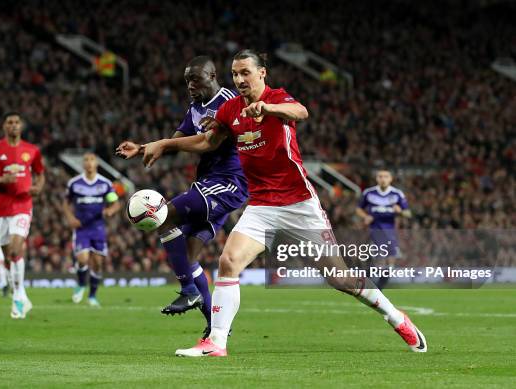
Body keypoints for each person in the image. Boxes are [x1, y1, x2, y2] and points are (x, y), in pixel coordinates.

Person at [141, 49, 427, 356]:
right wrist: (165, 143)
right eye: (235, 74)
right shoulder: (230, 110)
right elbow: (207, 142)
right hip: (261, 205)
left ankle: (395, 316)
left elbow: (301, 112)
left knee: (340, 278)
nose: (239, 80)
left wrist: (269, 108)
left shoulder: (279, 98)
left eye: (245, 73)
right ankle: (216, 342)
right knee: (229, 261)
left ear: (262, 73)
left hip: (298, 204)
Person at [116, 56, 247, 338]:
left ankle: (188, 290)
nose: (190, 85)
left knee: (162, 216)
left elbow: (206, 142)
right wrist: (143, 148)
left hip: (228, 182)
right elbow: (177, 139)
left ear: (212, 76)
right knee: (187, 256)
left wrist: (162, 144)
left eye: (195, 79)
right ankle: (216, 326)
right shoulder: (196, 107)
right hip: (209, 184)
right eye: (187, 80)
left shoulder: (229, 101)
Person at [0, 112, 45, 319]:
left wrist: (38, 188)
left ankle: (17, 297)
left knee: (16, 250)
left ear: (21, 126)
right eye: (10, 122)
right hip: (1, 209)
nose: (14, 125)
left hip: (23, 204)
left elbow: (40, 174)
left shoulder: (32, 150)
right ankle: (22, 293)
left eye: (17, 122)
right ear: (4, 126)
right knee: (8, 258)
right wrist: (1, 179)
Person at [63, 152, 121, 307]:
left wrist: (110, 211)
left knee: (97, 263)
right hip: (81, 228)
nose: (89, 163)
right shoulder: (74, 183)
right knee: (82, 259)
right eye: (86, 160)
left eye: (92, 160)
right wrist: (70, 218)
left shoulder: (104, 184)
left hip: (98, 228)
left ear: (96, 164)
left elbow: (115, 203)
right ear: (83, 164)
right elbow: (66, 203)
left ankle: (92, 296)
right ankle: (81, 284)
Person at [356, 169, 411, 290]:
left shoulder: (397, 194)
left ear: (390, 179)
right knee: (374, 257)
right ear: (377, 179)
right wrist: (366, 216)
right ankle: (373, 283)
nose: (383, 179)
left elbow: (408, 213)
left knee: (388, 259)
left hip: (389, 230)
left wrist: (400, 211)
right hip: (372, 230)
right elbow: (358, 209)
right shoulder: (369, 193)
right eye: (380, 176)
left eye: (386, 176)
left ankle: (378, 283)